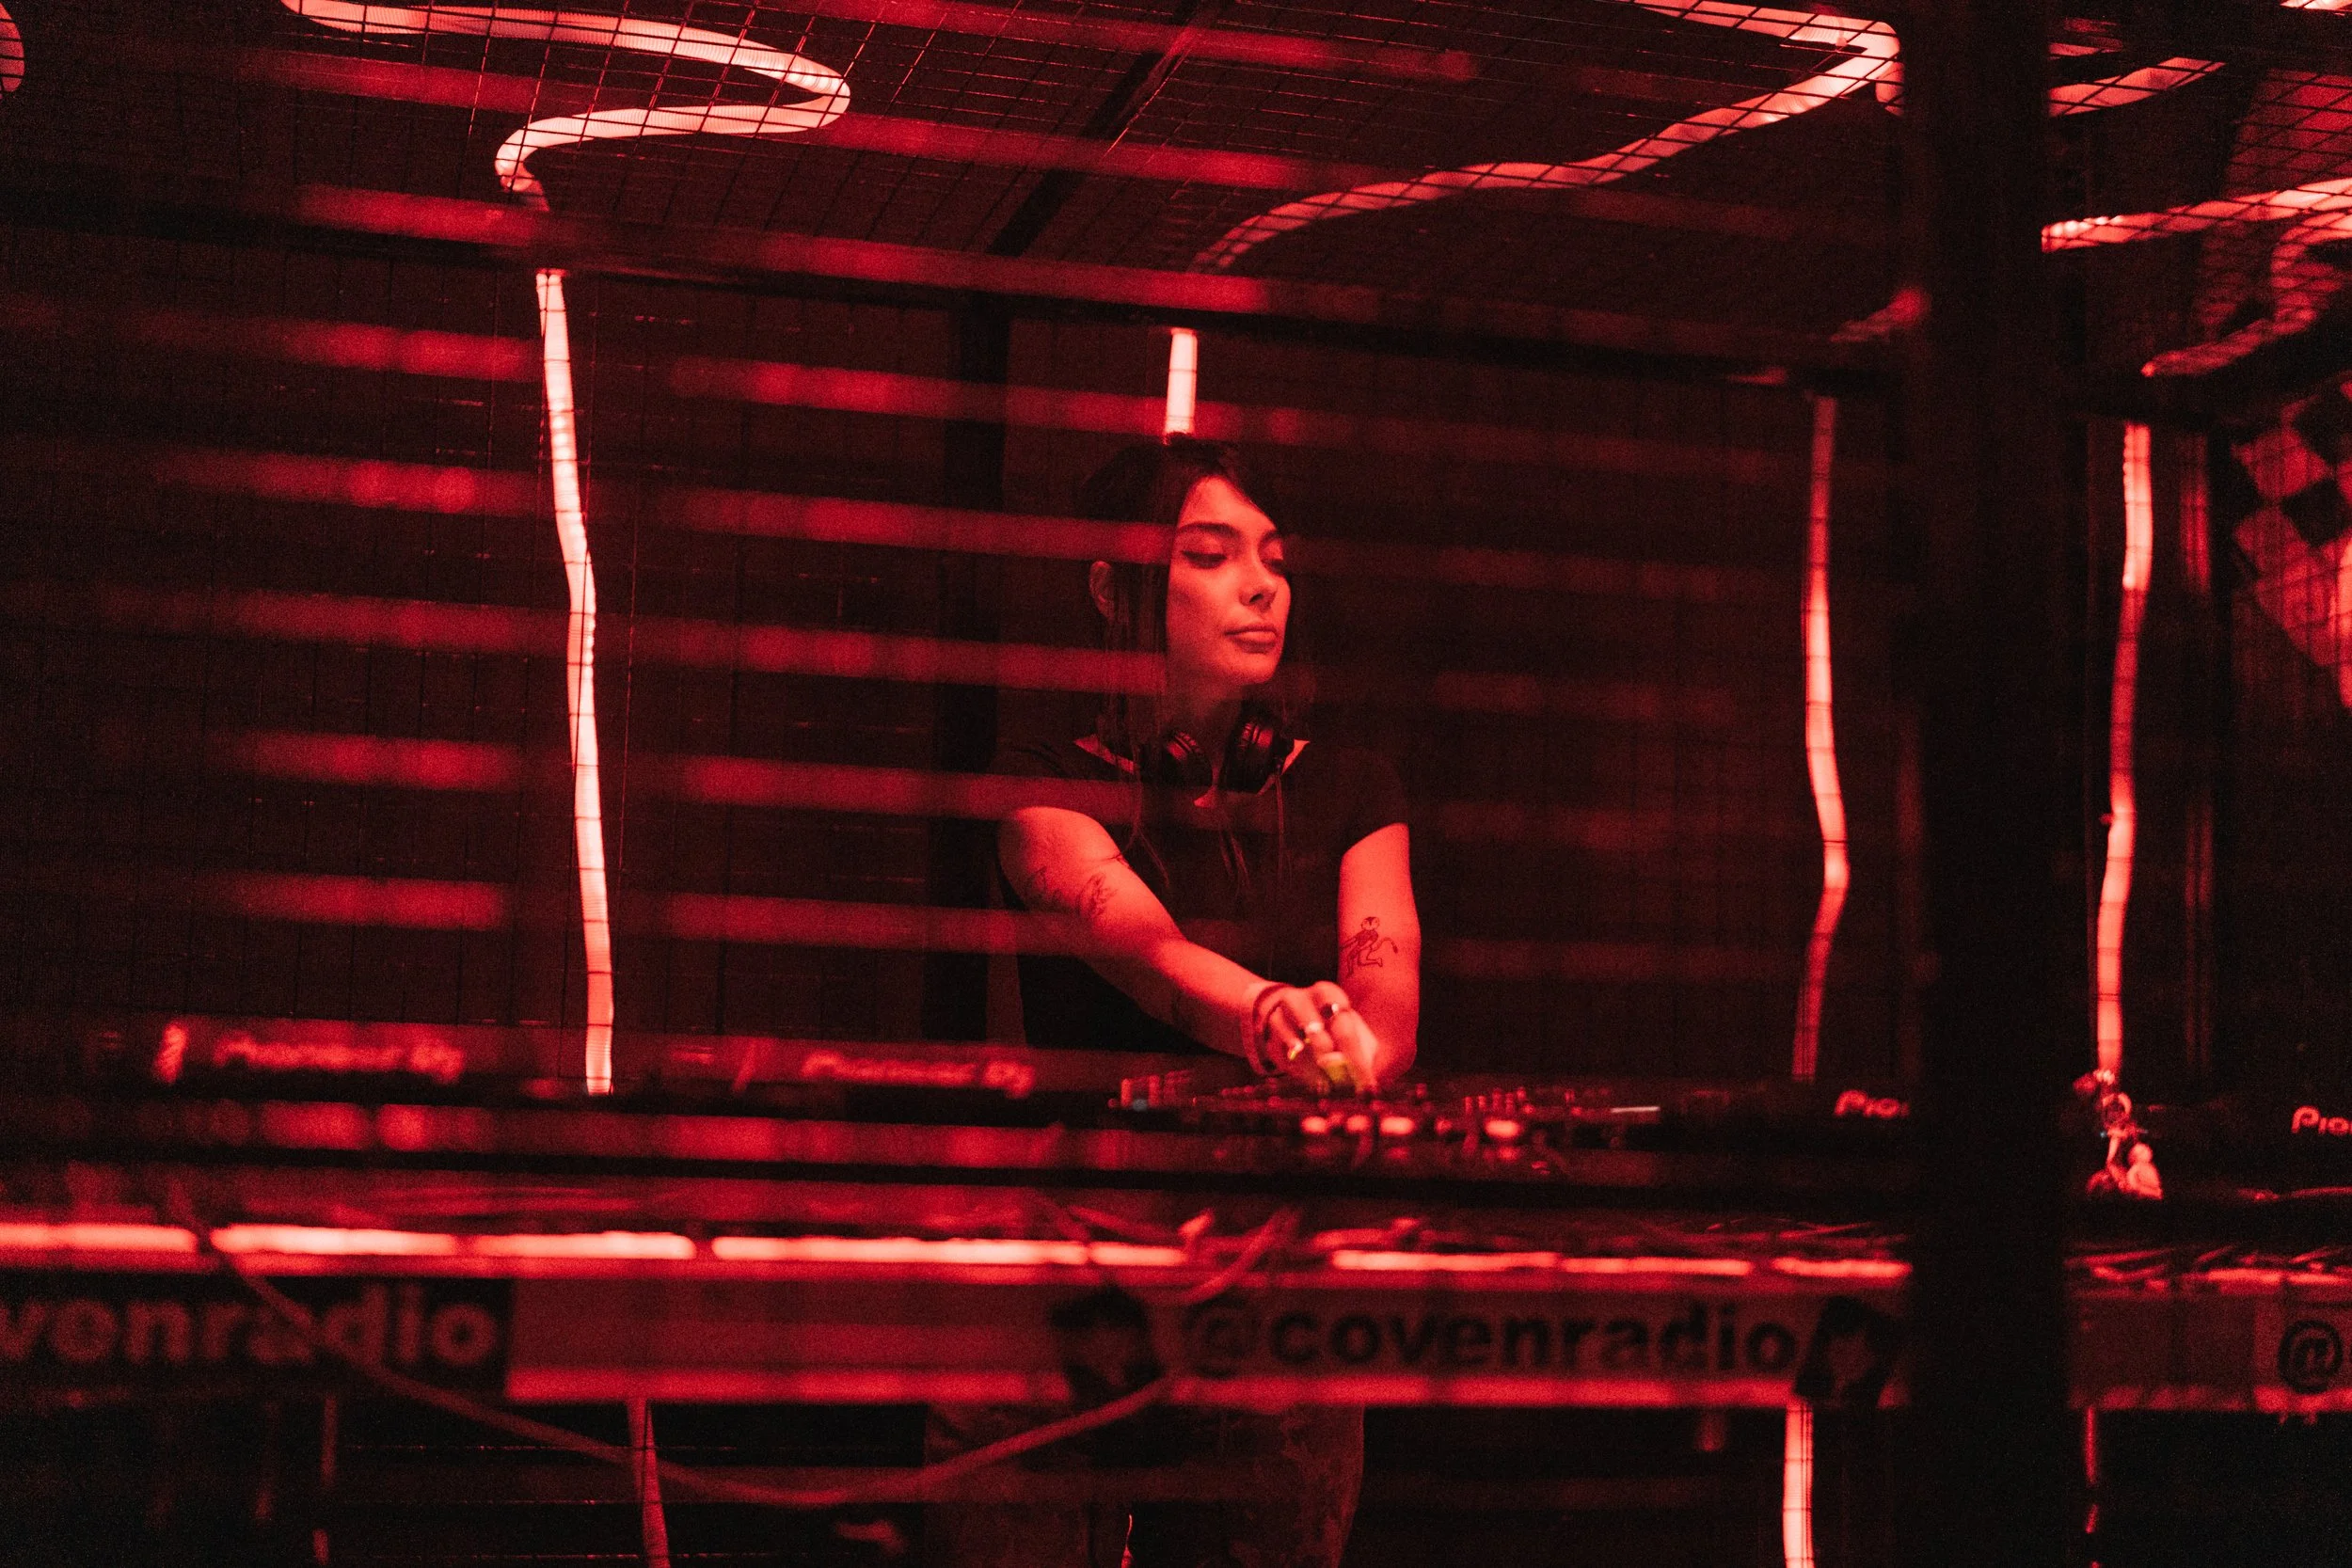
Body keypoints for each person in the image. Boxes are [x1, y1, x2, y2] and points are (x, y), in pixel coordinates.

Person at [924, 436, 1421, 1568]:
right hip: (1068, 1287)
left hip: (1271, 1290)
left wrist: (1362, 1044)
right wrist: (1271, 1014)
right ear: (1115, 590)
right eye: (1210, 554)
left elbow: (1385, 989)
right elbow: (1143, 950)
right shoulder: (1041, 783)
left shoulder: (1351, 787)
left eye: (1274, 558)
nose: (1260, 586)